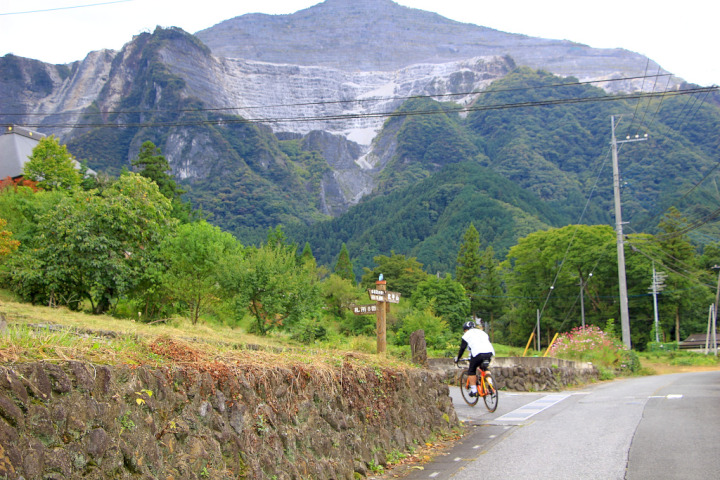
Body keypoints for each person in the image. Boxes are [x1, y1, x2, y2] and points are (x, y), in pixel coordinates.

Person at [454, 320, 495, 396]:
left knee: (472, 370)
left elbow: (462, 348)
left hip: (477, 353)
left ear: (465, 329)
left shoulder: (467, 335)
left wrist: (458, 358)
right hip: (489, 352)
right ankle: (491, 384)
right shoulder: (482, 333)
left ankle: (473, 390)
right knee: (485, 368)